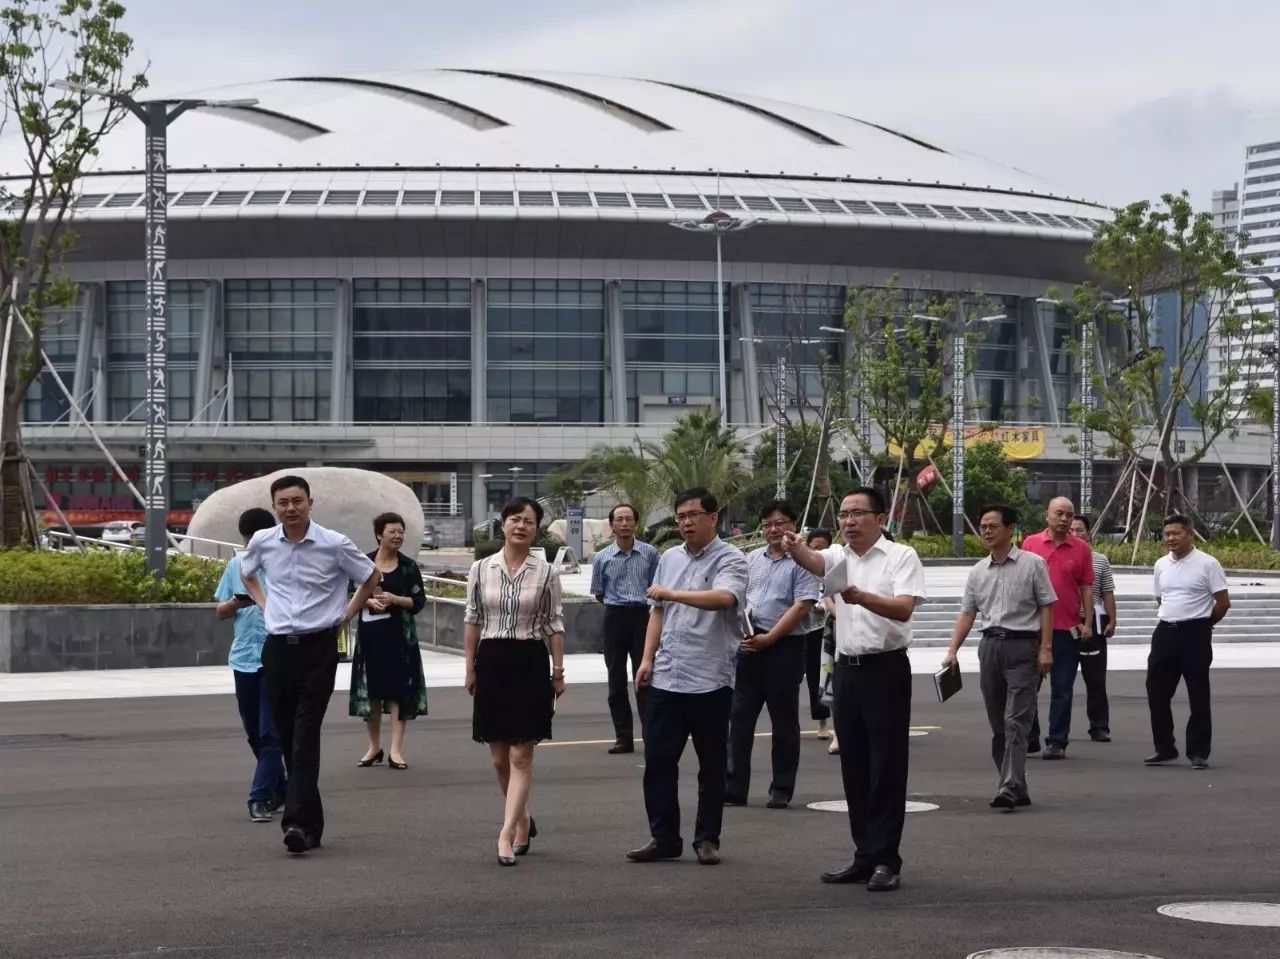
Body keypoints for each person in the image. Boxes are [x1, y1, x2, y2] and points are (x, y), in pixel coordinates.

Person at [782, 487, 926, 892]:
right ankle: (863, 855)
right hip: (847, 671)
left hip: (886, 670)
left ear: (880, 518)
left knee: (887, 767)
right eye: (843, 514)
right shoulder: (838, 556)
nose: (848, 521)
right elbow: (814, 560)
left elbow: (904, 608)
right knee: (855, 768)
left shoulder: (901, 557)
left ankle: (886, 860)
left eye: (857, 513)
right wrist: (794, 547)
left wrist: (861, 597)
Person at [240, 475, 382, 855]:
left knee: (304, 735)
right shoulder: (263, 542)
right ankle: (312, 824)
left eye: (297, 501)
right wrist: (265, 605)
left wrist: (348, 613)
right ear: (274, 507)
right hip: (277, 649)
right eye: (283, 502)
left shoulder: (334, 544)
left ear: (310, 502)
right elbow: (246, 572)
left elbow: (371, 576)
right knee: (287, 738)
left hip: (319, 648)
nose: (290, 508)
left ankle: (297, 825)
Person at [626, 488, 748, 867]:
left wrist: (672, 593)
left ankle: (707, 839)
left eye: (693, 514)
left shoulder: (733, 559)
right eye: (680, 516)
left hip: (710, 677)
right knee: (659, 760)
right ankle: (664, 838)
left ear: (714, 518)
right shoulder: (669, 558)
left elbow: (724, 598)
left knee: (711, 764)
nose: (685, 522)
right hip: (667, 675)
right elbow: (657, 612)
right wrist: (646, 659)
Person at [464, 497, 566, 866]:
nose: (520, 526)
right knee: (498, 758)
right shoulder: (480, 568)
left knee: (522, 753)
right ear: (502, 524)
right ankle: (522, 818)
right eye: (514, 519)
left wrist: (558, 671)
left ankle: (506, 832)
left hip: (529, 661)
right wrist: (469, 668)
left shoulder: (547, 572)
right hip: (491, 662)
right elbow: (472, 618)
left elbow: (554, 624)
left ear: (536, 528)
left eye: (528, 521)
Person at [941, 505, 1055, 810]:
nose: (986, 531)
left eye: (992, 526)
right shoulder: (978, 571)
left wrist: (1046, 648)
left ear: (1010, 528)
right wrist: (952, 650)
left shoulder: (1033, 564)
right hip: (990, 648)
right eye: (983, 526)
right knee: (999, 725)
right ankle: (1017, 784)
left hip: (1023, 647)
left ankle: (1007, 786)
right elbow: (967, 613)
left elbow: (1046, 606)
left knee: (1016, 720)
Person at [725, 500, 819, 809]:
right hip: (750, 644)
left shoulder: (803, 561)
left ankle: (781, 789)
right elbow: (740, 597)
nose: (773, 529)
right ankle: (734, 788)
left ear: (793, 525)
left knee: (783, 722)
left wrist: (771, 638)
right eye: (767, 524)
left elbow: (802, 605)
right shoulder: (751, 558)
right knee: (739, 720)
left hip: (785, 647)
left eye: (779, 523)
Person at [214, 506, 287, 823]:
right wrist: (235, 603)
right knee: (254, 734)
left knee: (270, 734)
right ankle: (281, 787)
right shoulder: (236, 565)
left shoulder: (283, 564)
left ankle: (259, 799)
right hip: (243, 658)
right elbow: (220, 611)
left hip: (277, 657)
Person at [1144, 514, 1230, 770]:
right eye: (1167, 534)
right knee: (1156, 693)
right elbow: (1162, 598)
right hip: (1165, 633)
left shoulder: (1208, 564)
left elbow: (1223, 603)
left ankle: (1198, 751)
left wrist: (1203, 625)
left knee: (1198, 695)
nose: (1170, 538)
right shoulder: (1161, 564)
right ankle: (1164, 747)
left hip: (1196, 634)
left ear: (1190, 534)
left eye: (1176, 533)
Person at [349, 512, 428, 769]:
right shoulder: (364, 563)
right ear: (379, 535)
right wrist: (368, 600)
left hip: (399, 639)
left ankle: (396, 750)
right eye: (392, 531)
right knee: (371, 692)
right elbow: (350, 593)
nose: (398, 536)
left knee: (397, 693)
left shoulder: (407, 566)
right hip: (371, 638)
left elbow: (418, 602)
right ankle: (374, 748)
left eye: (401, 532)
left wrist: (394, 599)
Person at [1022, 496, 1093, 760]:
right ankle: (1030, 738)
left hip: (1067, 628)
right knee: (1028, 686)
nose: (1064, 519)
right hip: (1033, 628)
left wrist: (1087, 623)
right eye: (1059, 513)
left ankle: (1057, 741)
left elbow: (1086, 587)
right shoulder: (1030, 543)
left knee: (1062, 688)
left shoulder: (1082, 548)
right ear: (1047, 515)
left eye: (1069, 514)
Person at [590, 503, 660, 755]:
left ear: (636, 523)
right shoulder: (601, 557)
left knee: (645, 679)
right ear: (612, 525)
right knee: (616, 681)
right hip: (614, 619)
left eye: (629, 519)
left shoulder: (650, 553)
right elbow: (599, 592)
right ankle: (623, 738)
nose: (624, 523)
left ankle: (652, 736)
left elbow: (656, 586)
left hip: (643, 618)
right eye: (619, 519)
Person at [1070, 515, 1117, 743]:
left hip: (1094, 624)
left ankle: (1099, 727)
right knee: (1063, 680)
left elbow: (1107, 592)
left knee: (1096, 679)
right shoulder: (1058, 558)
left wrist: (1112, 620)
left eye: (1080, 530)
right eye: (1071, 530)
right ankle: (1059, 730)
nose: (1075, 534)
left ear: (1089, 534)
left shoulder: (1099, 560)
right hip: (1065, 623)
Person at [802, 528, 834, 742]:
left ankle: (824, 722)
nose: (818, 551)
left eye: (822, 548)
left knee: (822, 675)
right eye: (814, 547)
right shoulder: (801, 569)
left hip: (824, 629)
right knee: (798, 678)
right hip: (801, 629)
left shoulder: (832, 570)